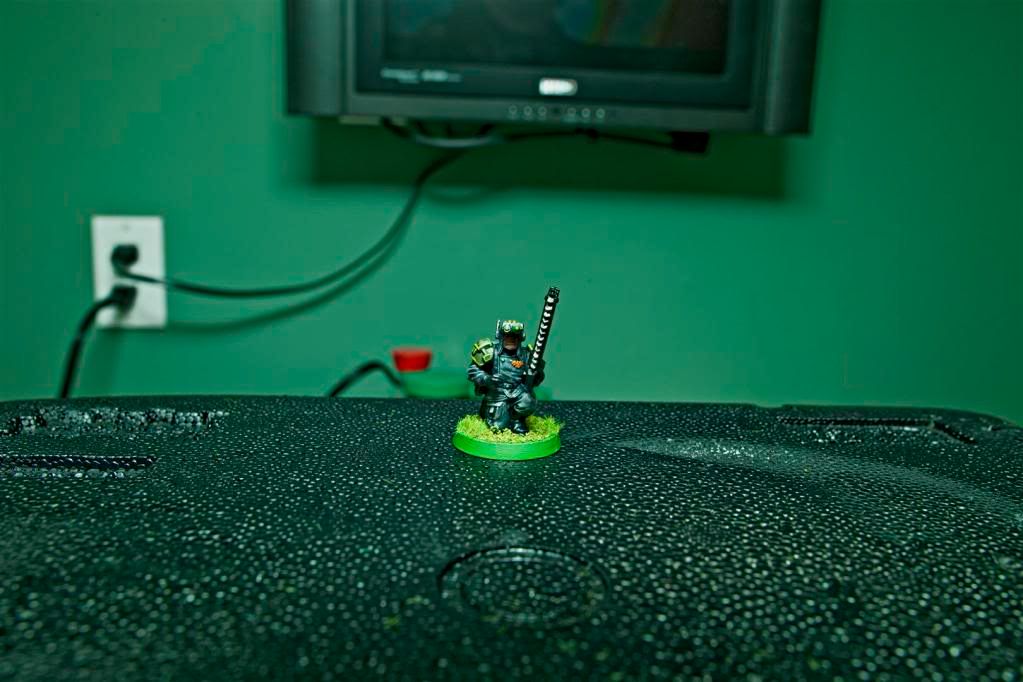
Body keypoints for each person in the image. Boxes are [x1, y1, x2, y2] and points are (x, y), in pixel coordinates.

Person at [467, 319, 545, 434]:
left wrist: (535, 373)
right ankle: (497, 416)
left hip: (518, 392)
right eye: (507, 336)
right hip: (497, 395)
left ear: (521, 337)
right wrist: (487, 379)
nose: (511, 340)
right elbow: (473, 371)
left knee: (528, 401)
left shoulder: (527, 354)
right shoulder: (490, 351)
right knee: (498, 428)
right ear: (501, 336)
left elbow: (538, 378)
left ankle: (517, 420)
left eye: (515, 336)